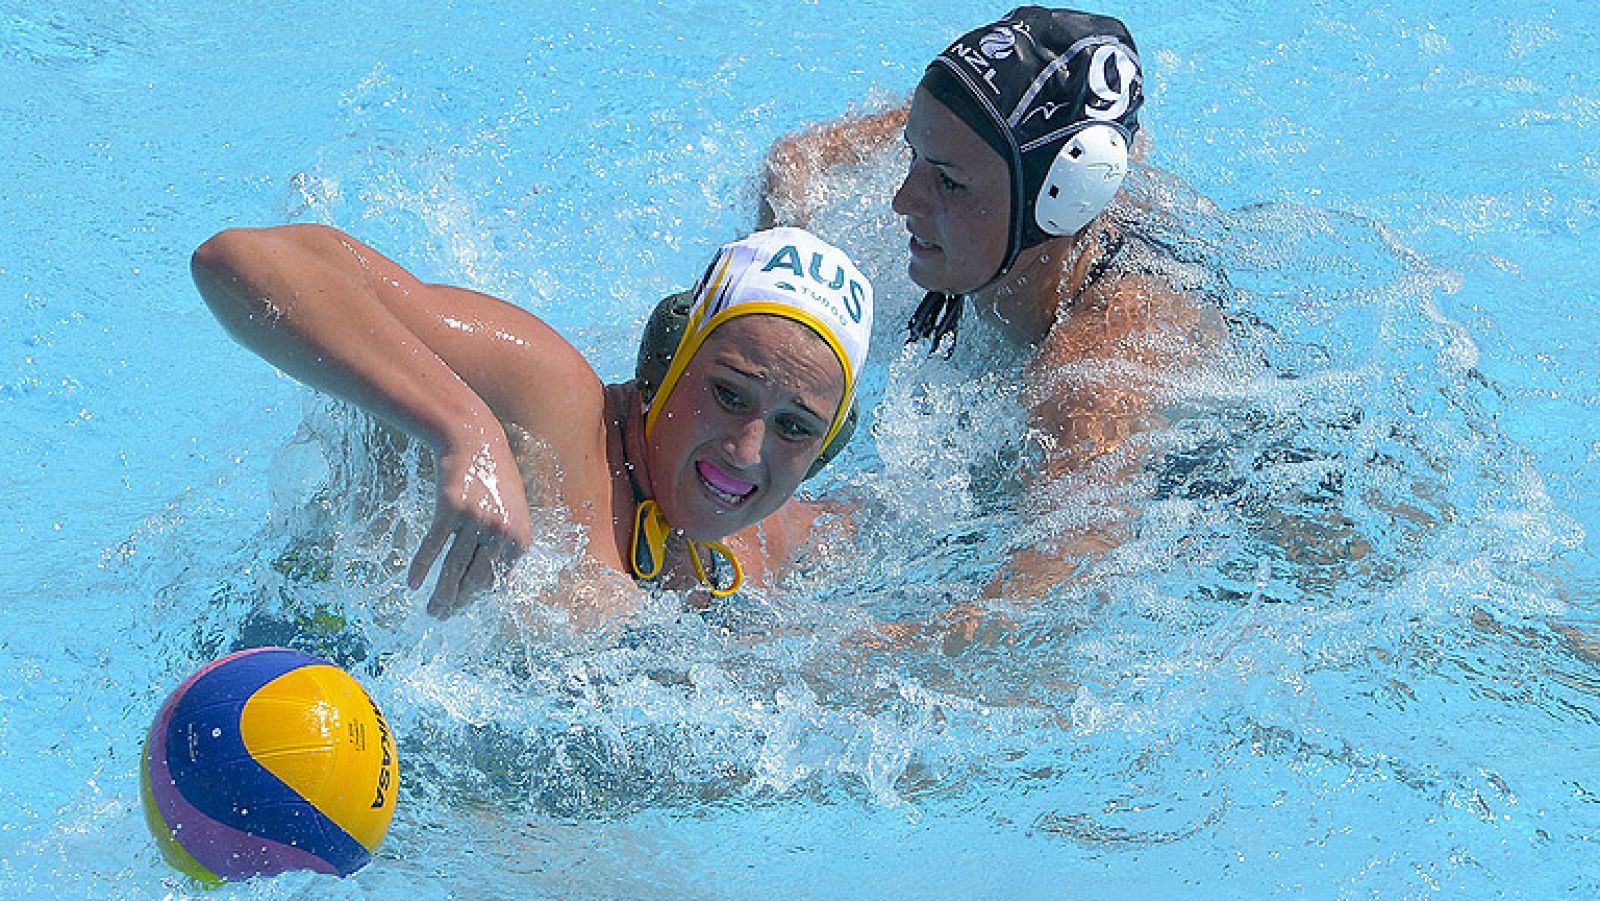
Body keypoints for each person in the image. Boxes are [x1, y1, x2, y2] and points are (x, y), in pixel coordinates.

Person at [760, 6, 1222, 602]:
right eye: (913, 157)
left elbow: (1037, 607)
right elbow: (794, 161)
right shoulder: (997, 215)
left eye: (947, 182)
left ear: (1060, 198)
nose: (904, 200)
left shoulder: (1094, 379)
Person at [192, 224, 874, 622]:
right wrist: (465, 429)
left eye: (794, 428)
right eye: (728, 394)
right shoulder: (548, 407)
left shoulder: (756, 547)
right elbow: (243, 261)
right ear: (667, 362)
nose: (748, 450)